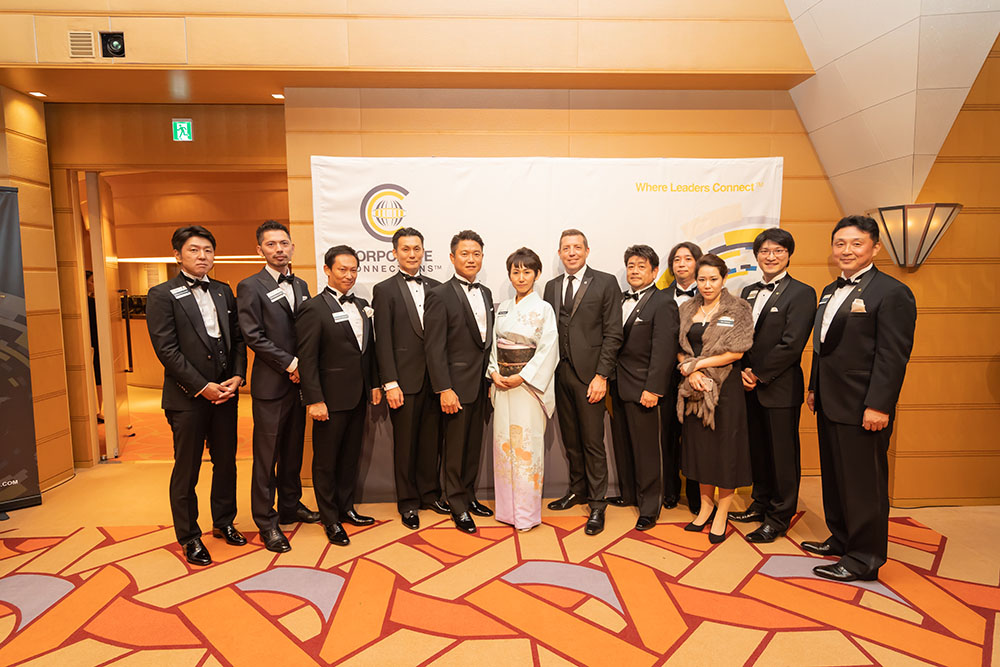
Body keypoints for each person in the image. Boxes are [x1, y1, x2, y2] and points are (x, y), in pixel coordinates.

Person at [803, 215, 916, 582]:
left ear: (875, 247)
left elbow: (892, 355)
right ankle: (841, 538)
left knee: (864, 484)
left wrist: (879, 404)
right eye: (840, 243)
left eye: (856, 243)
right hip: (830, 400)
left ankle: (864, 558)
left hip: (864, 405)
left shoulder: (892, 292)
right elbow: (823, 346)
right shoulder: (829, 290)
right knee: (837, 477)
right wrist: (814, 387)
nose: (846, 250)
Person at [146, 225, 247, 566]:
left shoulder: (223, 290)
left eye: (208, 250)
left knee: (226, 463)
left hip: (226, 394)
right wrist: (202, 387)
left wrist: (237, 376)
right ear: (177, 255)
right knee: (187, 469)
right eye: (194, 249)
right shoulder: (162, 294)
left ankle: (224, 522)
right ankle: (189, 536)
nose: (202, 256)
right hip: (187, 397)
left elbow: (237, 339)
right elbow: (167, 350)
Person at [236, 220, 319, 554]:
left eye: (284, 243)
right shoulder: (250, 286)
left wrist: (307, 367)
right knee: (266, 455)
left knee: (293, 450)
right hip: (272, 384)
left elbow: (308, 330)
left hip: (300, 385)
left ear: (292, 247)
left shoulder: (301, 284)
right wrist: (292, 363)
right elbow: (253, 336)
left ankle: (290, 505)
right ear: (260, 250)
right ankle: (265, 520)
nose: (279, 249)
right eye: (271, 244)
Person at [731, 228, 816, 543]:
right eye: (765, 251)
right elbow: (738, 334)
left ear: (788, 255)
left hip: (779, 388)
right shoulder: (748, 291)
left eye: (778, 251)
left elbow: (792, 344)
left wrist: (757, 374)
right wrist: (741, 371)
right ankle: (760, 503)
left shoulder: (802, 292)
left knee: (782, 456)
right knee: (759, 451)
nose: (771, 256)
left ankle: (779, 517)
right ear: (756, 255)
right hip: (748, 386)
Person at [296, 245, 382, 547]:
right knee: (326, 461)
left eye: (353, 269)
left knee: (349, 458)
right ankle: (329, 518)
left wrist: (373, 385)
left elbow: (367, 351)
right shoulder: (313, 308)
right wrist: (314, 399)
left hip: (358, 396)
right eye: (342, 269)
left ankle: (346, 508)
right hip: (329, 400)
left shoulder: (362, 305)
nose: (349, 275)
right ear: (327, 270)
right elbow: (307, 358)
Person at [543, 229, 623, 536]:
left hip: (591, 377)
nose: (572, 252)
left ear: (587, 251)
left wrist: (601, 376)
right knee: (571, 439)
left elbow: (613, 333)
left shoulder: (605, 282)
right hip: (560, 374)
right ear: (559, 253)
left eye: (577, 247)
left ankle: (597, 504)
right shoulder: (551, 286)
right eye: (566, 248)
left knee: (592, 442)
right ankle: (577, 489)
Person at [372, 227, 448, 531]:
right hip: (403, 381)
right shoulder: (384, 289)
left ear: (423, 251)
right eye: (405, 249)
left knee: (432, 442)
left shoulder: (438, 287)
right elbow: (383, 340)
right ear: (395, 253)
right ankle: (407, 503)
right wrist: (389, 382)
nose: (412, 254)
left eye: (417, 248)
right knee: (405, 446)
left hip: (435, 380)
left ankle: (430, 494)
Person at [676, 253, 753, 543]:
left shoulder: (738, 308)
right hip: (695, 389)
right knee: (702, 449)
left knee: (726, 450)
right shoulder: (687, 308)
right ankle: (706, 506)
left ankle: (722, 511)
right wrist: (691, 371)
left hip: (726, 388)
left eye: (713, 279)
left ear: (724, 279)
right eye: (702, 279)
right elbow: (680, 348)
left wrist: (698, 365)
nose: (707, 285)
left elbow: (737, 351)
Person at [425, 230, 495, 534]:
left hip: (481, 385)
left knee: (473, 447)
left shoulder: (487, 293)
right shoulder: (439, 295)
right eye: (464, 254)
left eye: (476, 254)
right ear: (453, 258)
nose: (471, 259)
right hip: (454, 386)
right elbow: (434, 347)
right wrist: (444, 388)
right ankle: (456, 503)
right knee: (454, 449)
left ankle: (469, 496)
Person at [488, 247, 559, 532]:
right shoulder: (504, 307)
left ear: (537, 274)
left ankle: (527, 514)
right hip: (503, 384)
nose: (521, 277)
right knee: (504, 445)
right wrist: (493, 371)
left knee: (526, 445)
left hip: (528, 387)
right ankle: (507, 511)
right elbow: (493, 345)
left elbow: (548, 349)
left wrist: (524, 376)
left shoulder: (544, 309)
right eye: (515, 272)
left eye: (527, 271)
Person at [610, 245, 679, 531]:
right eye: (631, 266)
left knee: (649, 451)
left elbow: (664, 350)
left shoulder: (663, 302)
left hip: (644, 389)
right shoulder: (619, 299)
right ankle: (629, 494)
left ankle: (650, 507)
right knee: (624, 444)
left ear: (654, 271)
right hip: (618, 385)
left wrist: (654, 388)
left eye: (641, 266)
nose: (635, 271)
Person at [659, 242, 703, 515]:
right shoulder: (660, 296)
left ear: (697, 263)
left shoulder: (710, 296)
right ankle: (670, 490)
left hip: (698, 375)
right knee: (667, 435)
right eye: (677, 259)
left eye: (688, 258)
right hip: (666, 375)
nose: (682, 264)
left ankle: (697, 496)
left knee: (696, 438)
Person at [85, 270, 103, 424]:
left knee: (97, 377)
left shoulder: (90, 302)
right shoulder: (90, 304)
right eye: (91, 281)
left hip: (94, 343)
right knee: (97, 377)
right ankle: (97, 411)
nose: (94, 285)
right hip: (94, 343)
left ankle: (97, 410)